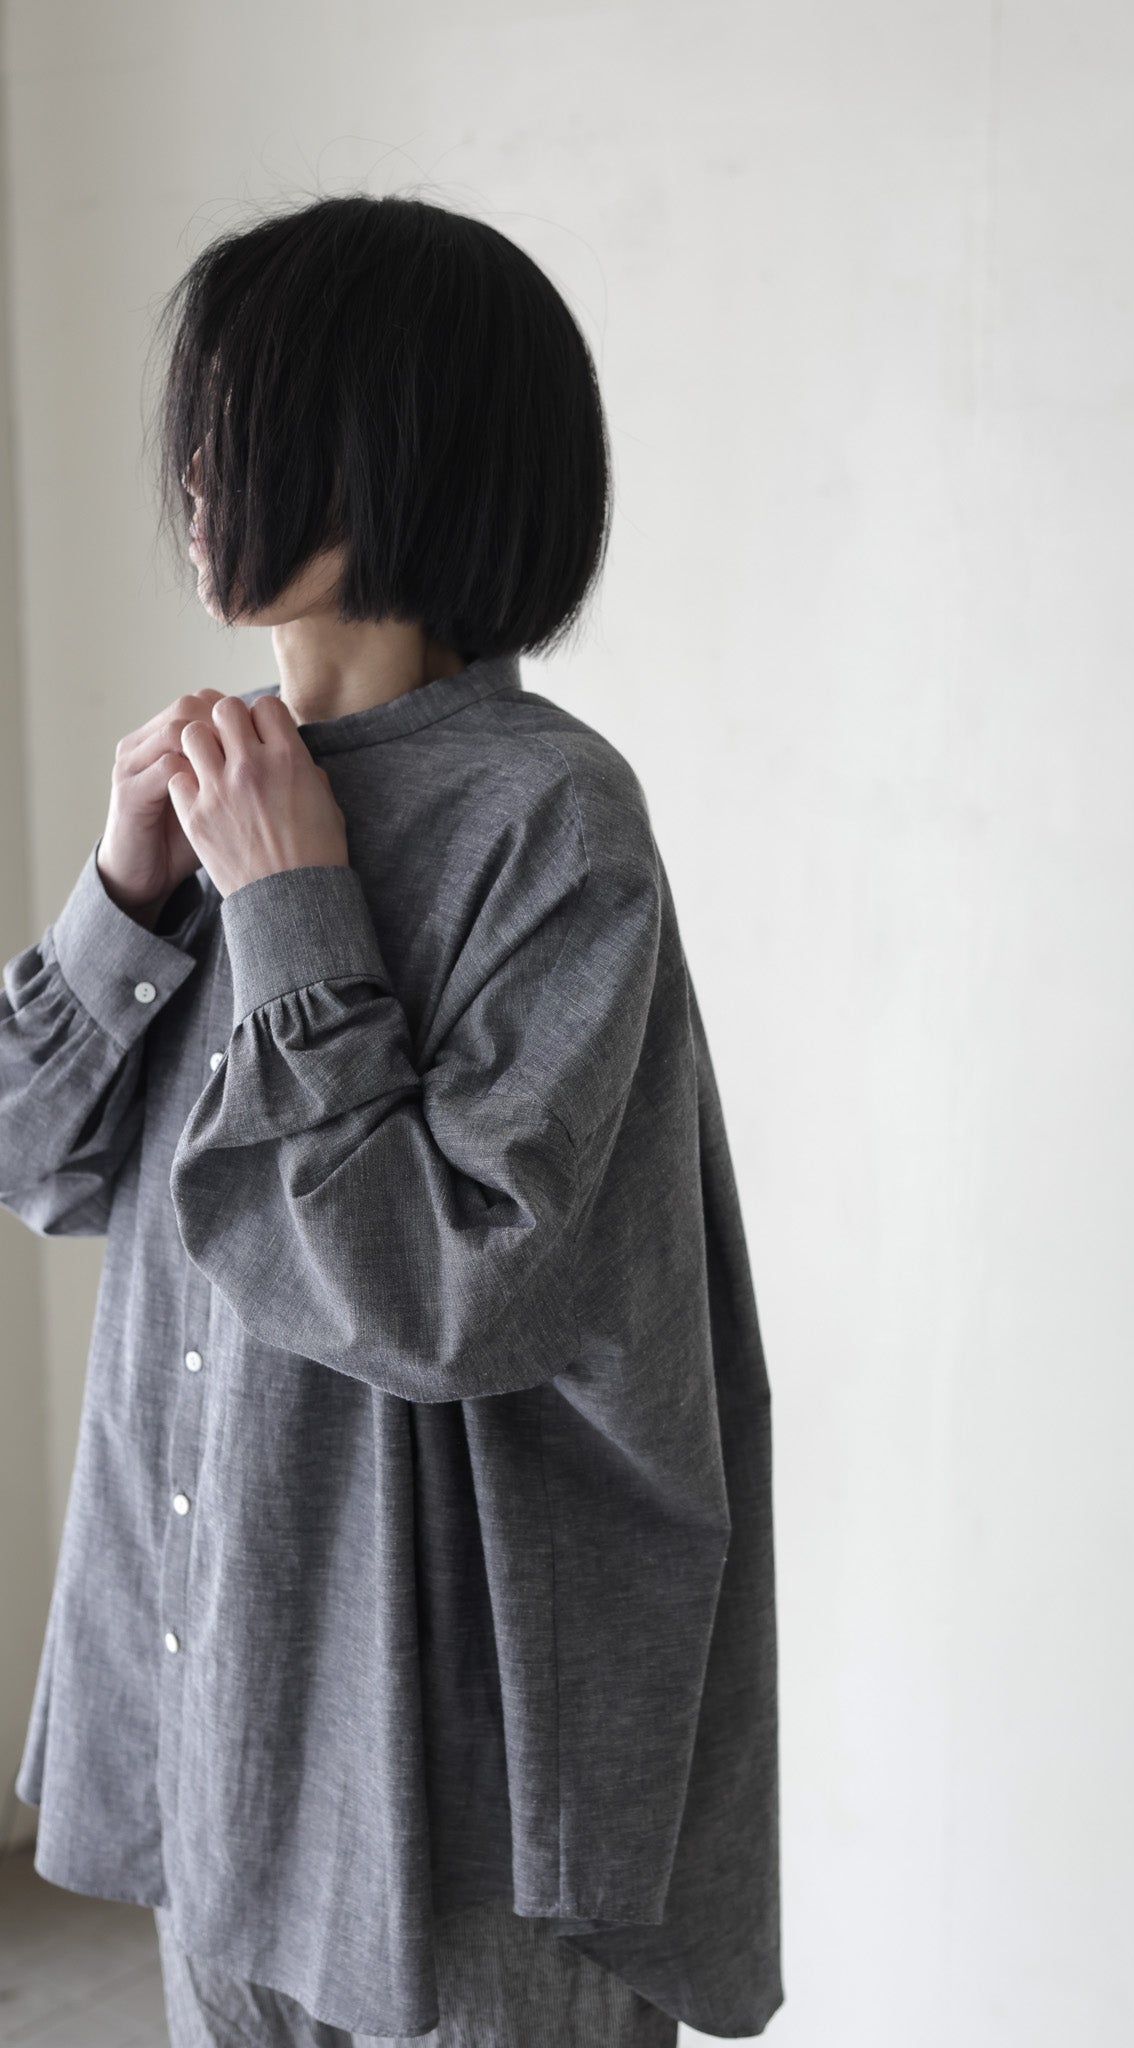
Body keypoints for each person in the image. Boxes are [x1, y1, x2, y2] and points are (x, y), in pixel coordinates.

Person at [1, 193, 782, 2046]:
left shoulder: (549, 819)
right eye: (200, 426)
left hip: (450, 1787)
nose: (200, 472)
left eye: (245, 421)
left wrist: (290, 911)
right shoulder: (215, 783)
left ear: (397, 453)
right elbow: (33, 1158)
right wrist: (127, 895)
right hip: (219, 1709)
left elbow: (457, 1297)